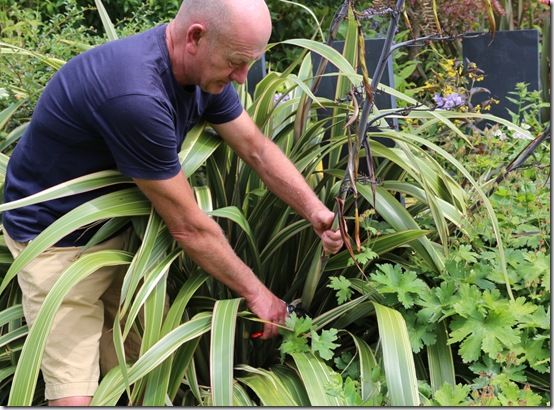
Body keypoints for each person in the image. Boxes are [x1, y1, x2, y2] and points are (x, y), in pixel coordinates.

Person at [2, 0, 343, 406]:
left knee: (136, 371)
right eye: (236, 62)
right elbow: (189, 226)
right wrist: (259, 295)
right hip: (55, 241)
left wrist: (316, 213)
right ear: (195, 36)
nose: (242, 77)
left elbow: (257, 150)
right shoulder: (136, 95)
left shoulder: (202, 73)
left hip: (121, 233)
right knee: (75, 393)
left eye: (250, 63)